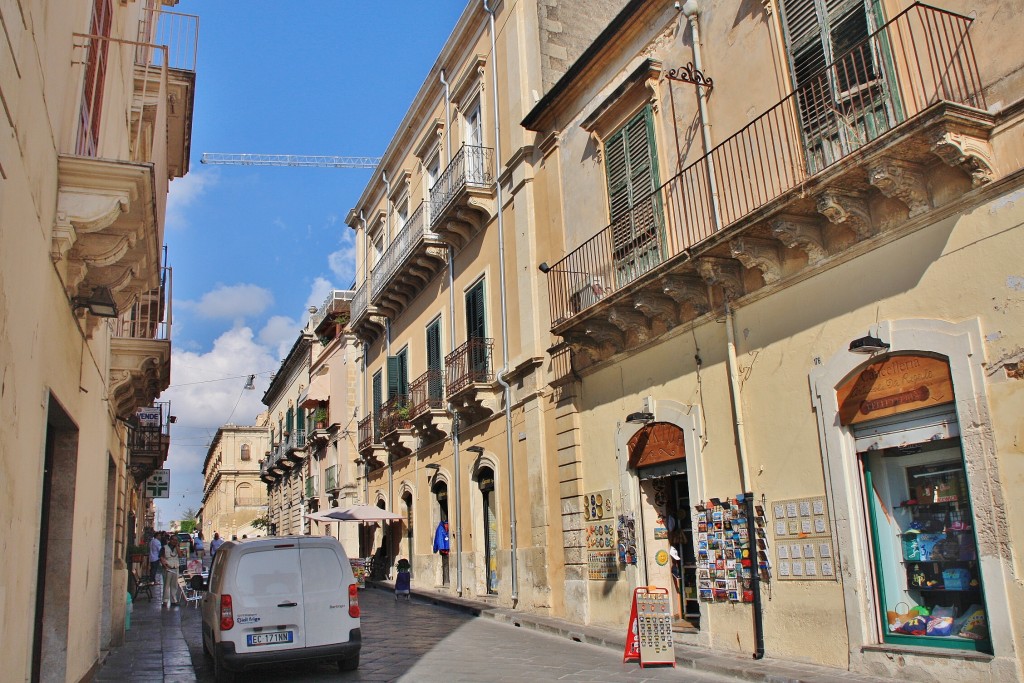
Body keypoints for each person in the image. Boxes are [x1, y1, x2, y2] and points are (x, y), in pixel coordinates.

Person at [161, 535, 180, 608]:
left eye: (176, 540)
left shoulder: (176, 548)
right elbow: (162, 557)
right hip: (168, 568)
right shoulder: (164, 548)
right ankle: (165, 600)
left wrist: (177, 546)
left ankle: (173, 600)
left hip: (175, 568)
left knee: (174, 585)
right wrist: (165, 566)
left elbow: (180, 555)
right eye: (173, 540)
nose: (175, 541)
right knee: (166, 585)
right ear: (170, 540)